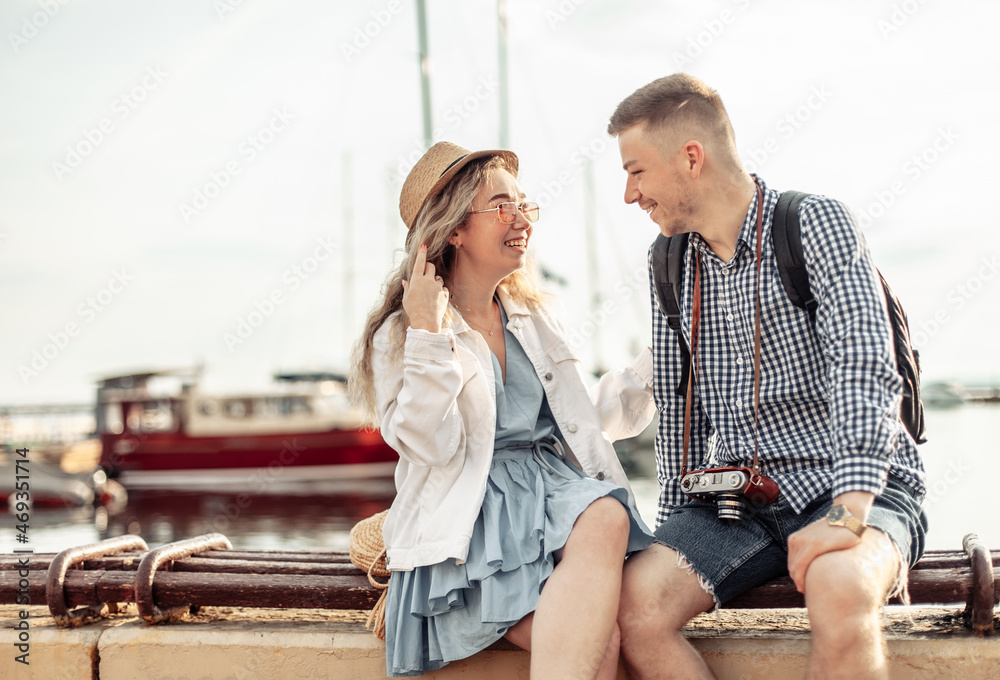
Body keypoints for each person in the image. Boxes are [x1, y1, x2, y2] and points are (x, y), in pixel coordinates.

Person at [606, 74, 928, 680]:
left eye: (636, 171)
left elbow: (864, 363)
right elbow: (680, 406)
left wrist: (849, 510)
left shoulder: (815, 224)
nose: (629, 194)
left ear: (691, 158)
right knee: (631, 609)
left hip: (855, 485)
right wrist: (674, 524)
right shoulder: (668, 261)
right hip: (739, 503)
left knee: (839, 589)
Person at [350, 141, 656, 679]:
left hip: (553, 499)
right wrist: (428, 333)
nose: (522, 218)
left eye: (524, 204)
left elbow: (584, 420)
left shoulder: (532, 317)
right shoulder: (404, 333)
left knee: (606, 514)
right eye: (502, 205)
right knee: (600, 641)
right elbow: (431, 445)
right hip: (473, 524)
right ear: (453, 230)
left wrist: (662, 357)